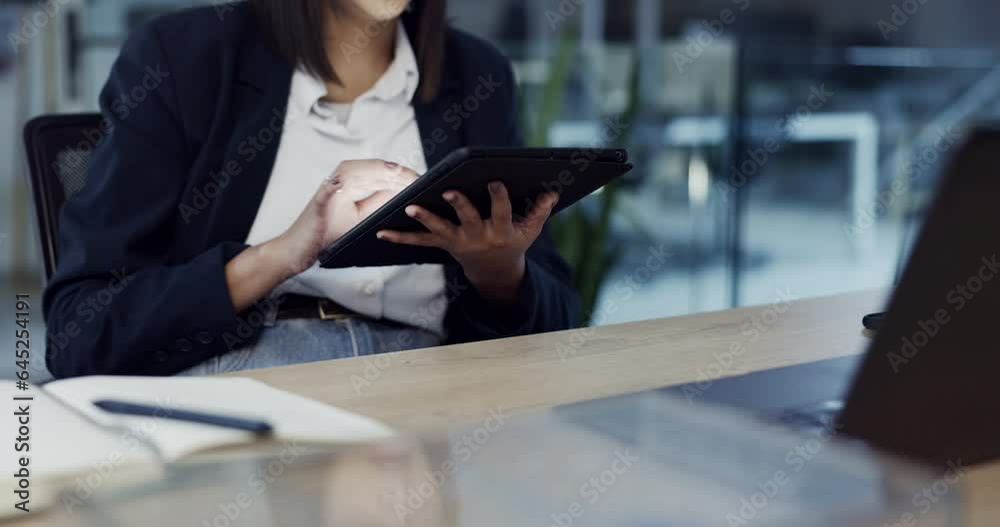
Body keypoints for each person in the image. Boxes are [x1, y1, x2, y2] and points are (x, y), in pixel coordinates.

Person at [43, 0, 580, 378]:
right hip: (250, 374)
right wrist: (279, 256)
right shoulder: (182, 57)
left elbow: (560, 320)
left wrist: (498, 271)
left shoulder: (479, 74)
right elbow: (79, 335)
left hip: (429, 380)